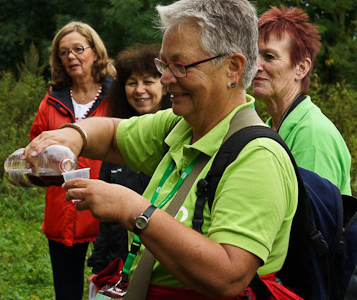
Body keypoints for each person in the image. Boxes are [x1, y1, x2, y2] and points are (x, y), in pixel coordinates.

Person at [24, 0, 299, 299]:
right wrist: (74, 135)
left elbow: (228, 277)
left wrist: (133, 210)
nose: (165, 79)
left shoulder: (257, 157)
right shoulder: (181, 126)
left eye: (180, 66)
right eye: (164, 64)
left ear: (232, 67)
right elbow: (114, 134)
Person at [29, 21, 116, 300]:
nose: (71, 57)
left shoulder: (117, 96)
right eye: (64, 52)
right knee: (66, 293)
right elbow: (34, 147)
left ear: (95, 52)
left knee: (114, 288)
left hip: (111, 209)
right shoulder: (51, 101)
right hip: (63, 209)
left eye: (78, 49)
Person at [86, 43, 171, 292]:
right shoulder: (118, 143)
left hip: (158, 273)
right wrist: (98, 267)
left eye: (148, 81)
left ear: (165, 86)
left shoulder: (178, 142)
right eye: (132, 82)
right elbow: (106, 222)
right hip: (117, 272)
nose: (139, 90)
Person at [253, 6, 352, 195]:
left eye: (269, 57)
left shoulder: (313, 135)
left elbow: (312, 221)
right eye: (254, 55)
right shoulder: (270, 128)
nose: (256, 66)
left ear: (301, 68)